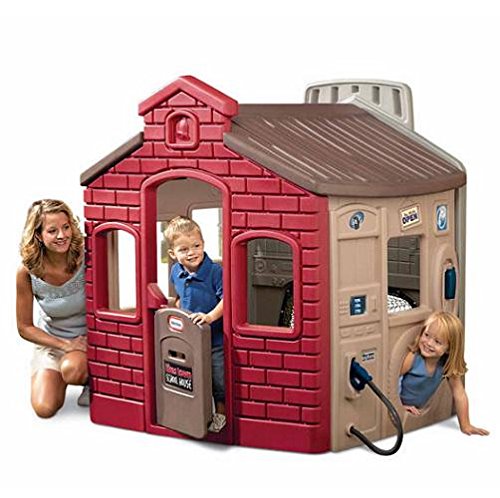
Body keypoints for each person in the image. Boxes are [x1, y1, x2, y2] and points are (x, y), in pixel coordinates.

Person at [16, 199, 88, 418]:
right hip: (53, 341)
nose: (62, 235)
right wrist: (64, 345)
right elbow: (25, 327)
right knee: (44, 408)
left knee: (72, 370)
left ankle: (93, 381)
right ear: (38, 235)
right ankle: (57, 374)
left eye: (66, 227)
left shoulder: (85, 256)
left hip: (85, 340)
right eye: (52, 230)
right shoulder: (27, 272)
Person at [164, 216, 225, 432]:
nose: (192, 252)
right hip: (188, 339)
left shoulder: (215, 272)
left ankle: (221, 414)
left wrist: (209, 317)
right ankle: (193, 414)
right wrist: (177, 309)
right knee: (189, 375)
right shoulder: (175, 271)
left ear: (203, 244)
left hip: (215, 339)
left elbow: (227, 300)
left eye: (196, 246)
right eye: (184, 249)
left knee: (218, 379)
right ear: (173, 254)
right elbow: (180, 296)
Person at [399, 311, 488, 435]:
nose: (429, 343)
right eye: (427, 335)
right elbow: (390, 384)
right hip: (398, 406)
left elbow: (459, 393)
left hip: (417, 413)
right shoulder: (412, 358)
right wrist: (399, 406)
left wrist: (465, 425)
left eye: (437, 342)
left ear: (449, 349)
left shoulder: (445, 365)